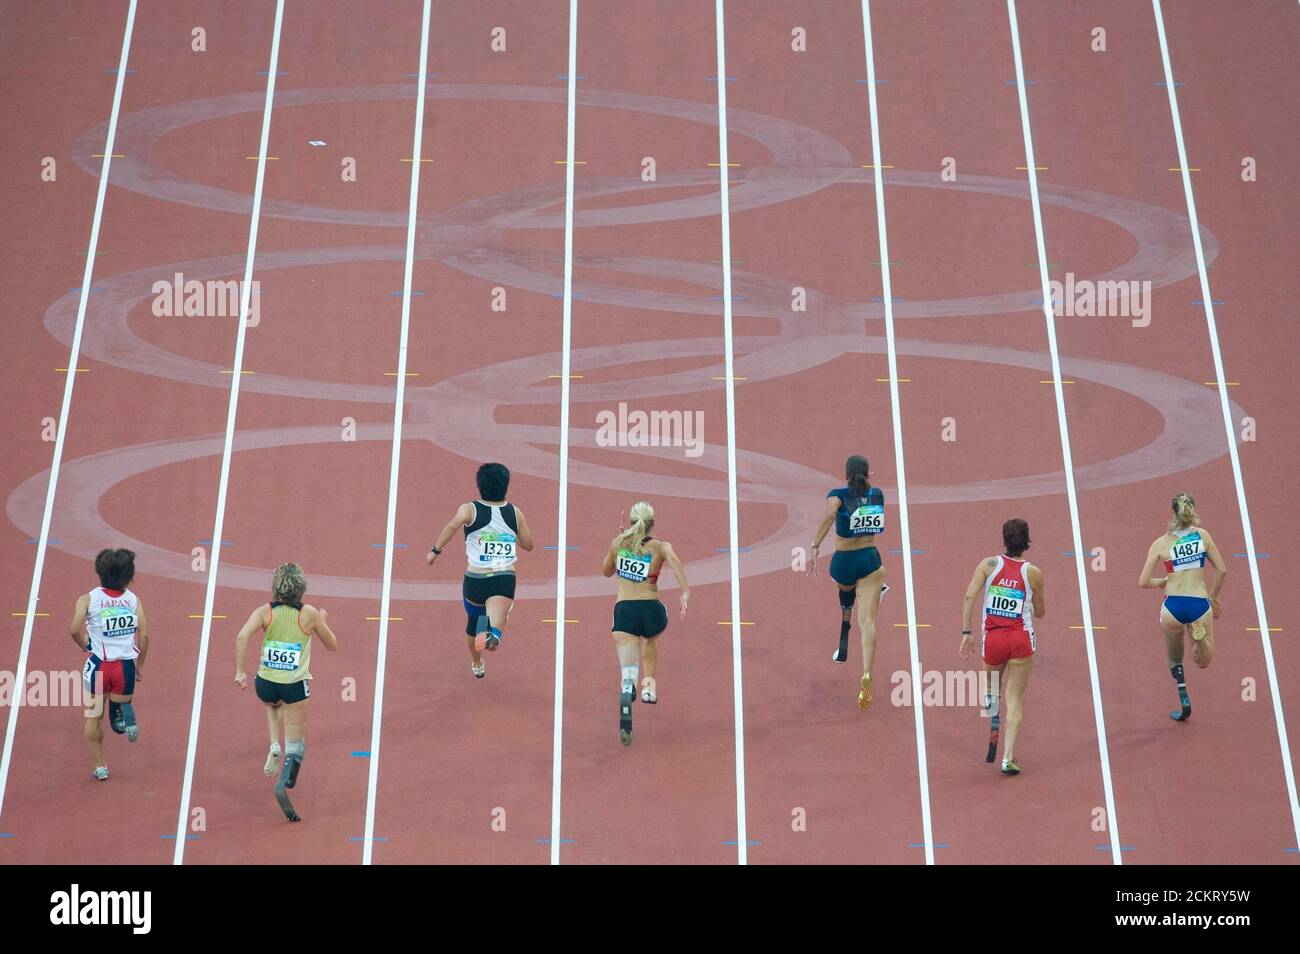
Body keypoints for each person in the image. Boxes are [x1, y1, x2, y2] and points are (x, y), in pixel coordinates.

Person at [234, 563, 338, 822]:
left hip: (264, 684)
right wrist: (320, 622)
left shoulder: (264, 611)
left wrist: (240, 671)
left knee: (273, 704)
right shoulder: (310, 614)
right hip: (294, 685)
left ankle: (273, 744)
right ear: (301, 588)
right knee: (297, 742)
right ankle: (285, 780)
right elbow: (332, 645)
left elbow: (241, 637)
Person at [426, 462, 534, 678]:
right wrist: (508, 536)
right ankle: (494, 632)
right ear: (506, 486)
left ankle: (477, 662)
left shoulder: (469, 509)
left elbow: (452, 526)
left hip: (475, 580)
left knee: (474, 622)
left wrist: (435, 551)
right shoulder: (515, 513)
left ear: (479, 485)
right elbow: (529, 545)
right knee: (499, 609)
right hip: (504, 577)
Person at [959, 519, 1044, 775]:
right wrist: (1024, 601)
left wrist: (966, 632)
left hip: (993, 639)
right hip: (1020, 639)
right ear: (1027, 542)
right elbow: (1040, 613)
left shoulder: (988, 565)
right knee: (1015, 699)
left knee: (991, 687)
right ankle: (1007, 757)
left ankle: (992, 712)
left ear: (1004, 540)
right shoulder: (1033, 573)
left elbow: (969, 596)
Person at [601, 501, 689, 746]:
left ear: (630, 521)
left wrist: (617, 548)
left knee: (627, 645)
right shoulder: (661, 546)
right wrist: (685, 591)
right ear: (652, 524)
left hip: (625, 610)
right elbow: (674, 560)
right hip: (652, 611)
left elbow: (605, 571)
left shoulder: (618, 544)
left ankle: (628, 682)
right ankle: (649, 685)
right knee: (650, 638)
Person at [1138, 492, 1226, 721]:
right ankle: (1199, 639)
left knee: (1174, 658)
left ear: (1172, 513)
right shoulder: (1202, 536)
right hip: (1198, 603)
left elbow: (1143, 581)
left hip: (1173, 606)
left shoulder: (1161, 544)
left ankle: (1184, 701)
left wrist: (1161, 582)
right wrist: (1213, 598)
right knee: (1203, 660)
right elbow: (1222, 570)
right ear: (1192, 510)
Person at [809, 455, 888, 709]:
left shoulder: (837, 494)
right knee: (868, 621)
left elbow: (830, 515)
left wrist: (815, 545)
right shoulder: (878, 495)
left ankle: (846, 606)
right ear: (869, 474)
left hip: (844, 562)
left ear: (846, 475)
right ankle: (866, 673)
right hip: (871, 560)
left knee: (844, 587)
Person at [70, 548, 149, 780]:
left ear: (100, 572)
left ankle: (100, 766)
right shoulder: (133, 600)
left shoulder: (88, 599)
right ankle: (123, 714)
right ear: (128, 575)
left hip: (98, 666)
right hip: (124, 667)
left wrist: (85, 644)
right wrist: (140, 664)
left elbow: (74, 629)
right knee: (118, 713)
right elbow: (144, 636)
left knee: (94, 716)